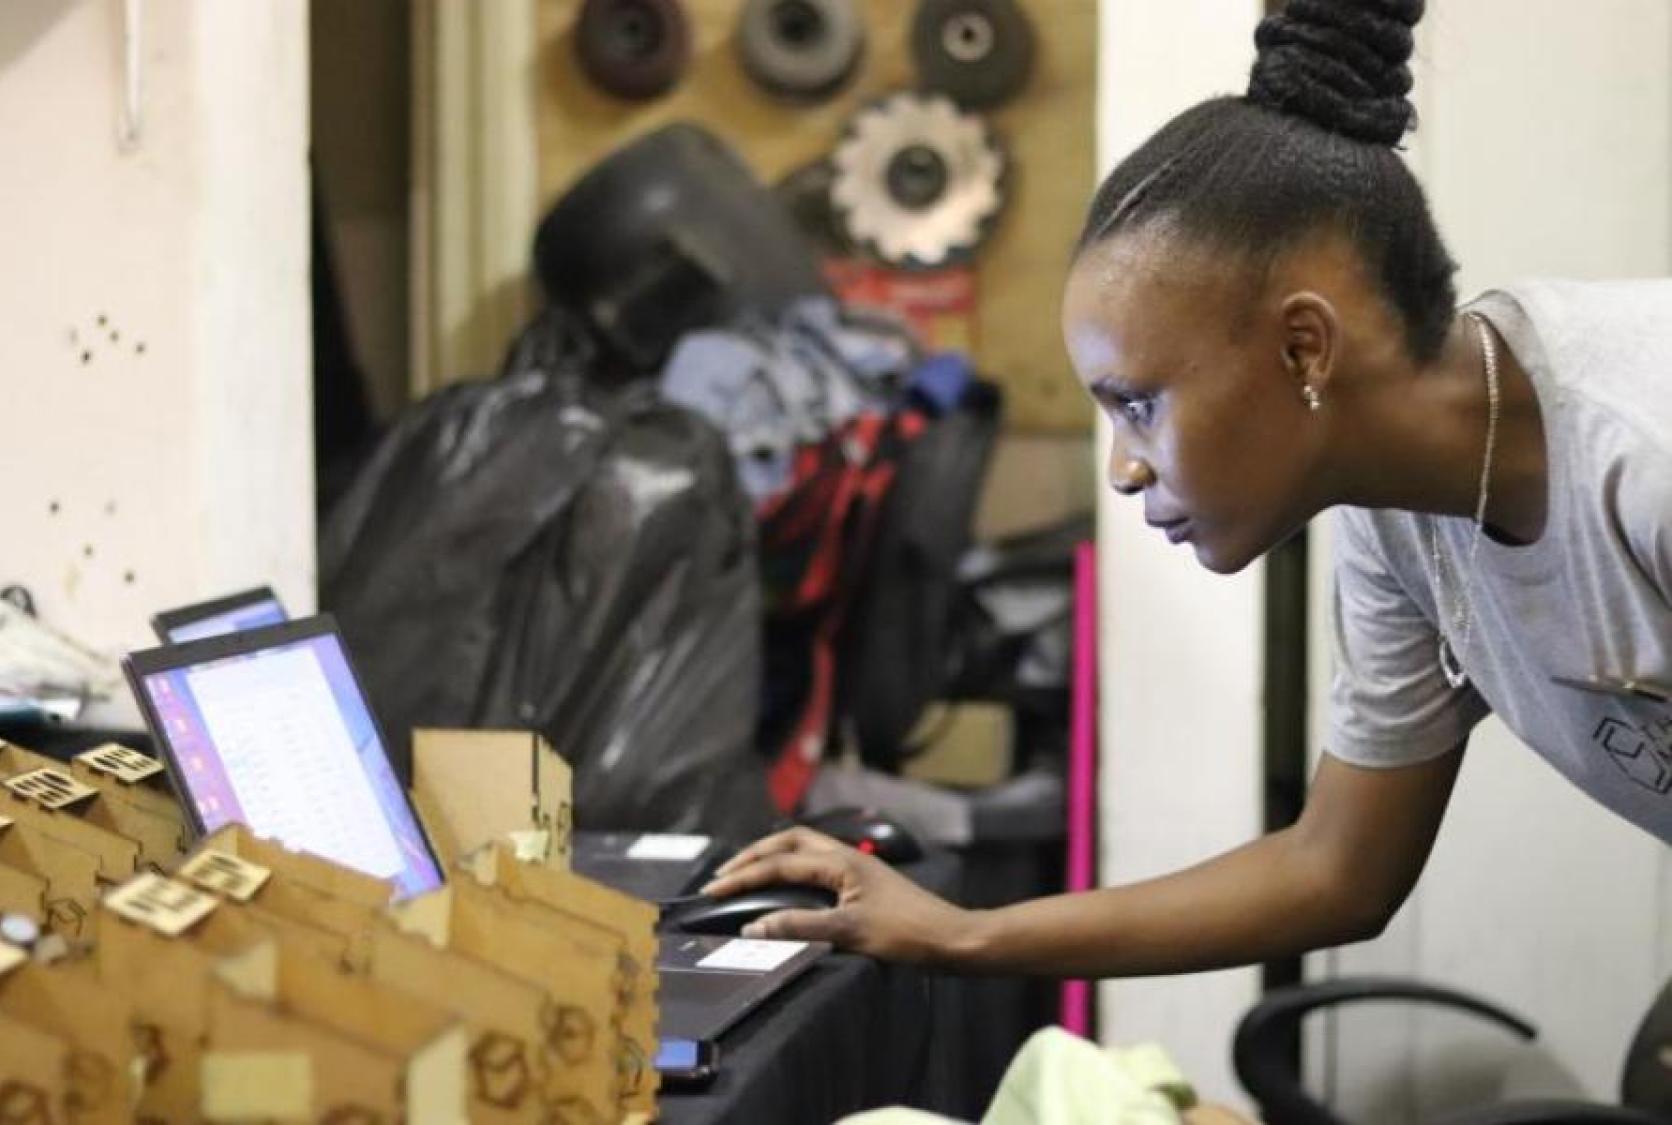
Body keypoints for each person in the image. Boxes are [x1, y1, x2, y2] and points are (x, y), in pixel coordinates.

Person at [702, 0, 1672, 978]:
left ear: (1304, 346)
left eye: (1136, 404)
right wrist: (959, 932)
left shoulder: (1642, 456)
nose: (1124, 466)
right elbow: (1333, 869)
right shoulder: (1404, 524)